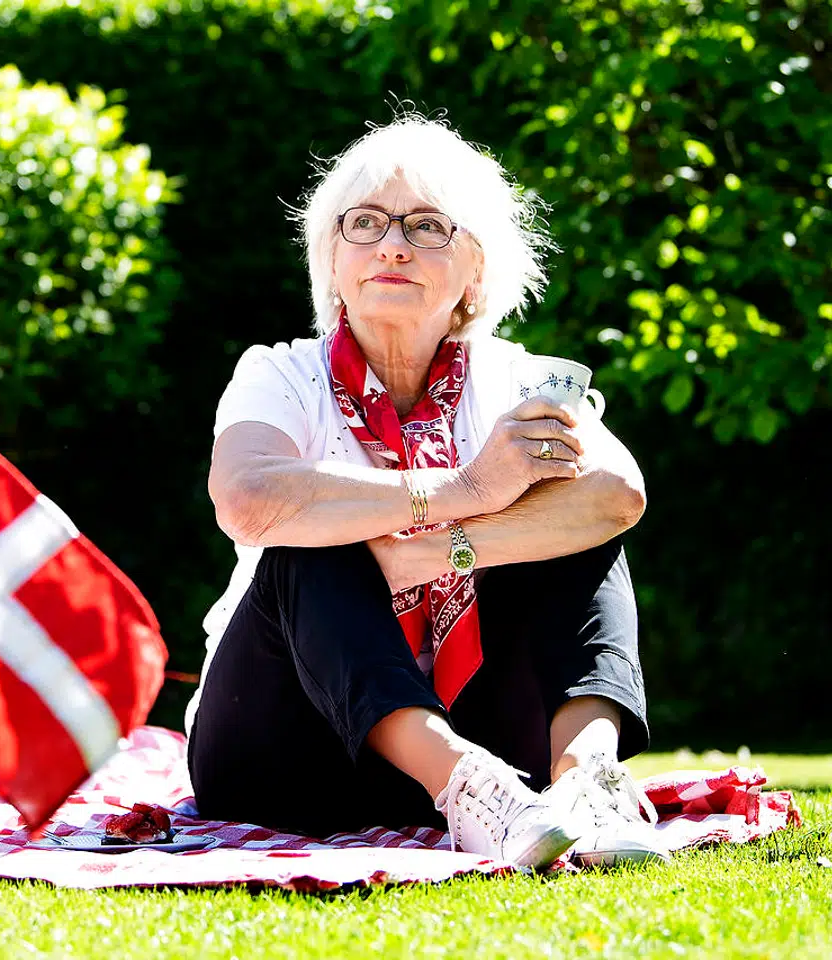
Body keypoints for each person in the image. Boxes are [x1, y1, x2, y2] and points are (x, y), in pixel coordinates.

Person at [185, 116, 666, 869]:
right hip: (283, 751)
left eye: (428, 225)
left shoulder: (515, 378)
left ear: (475, 268)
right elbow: (247, 499)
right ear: (333, 261)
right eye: (365, 223)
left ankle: (586, 787)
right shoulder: (279, 373)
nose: (394, 244)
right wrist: (464, 488)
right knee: (309, 540)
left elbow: (617, 494)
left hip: (503, 749)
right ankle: (465, 785)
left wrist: (441, 550)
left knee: (581, 531)